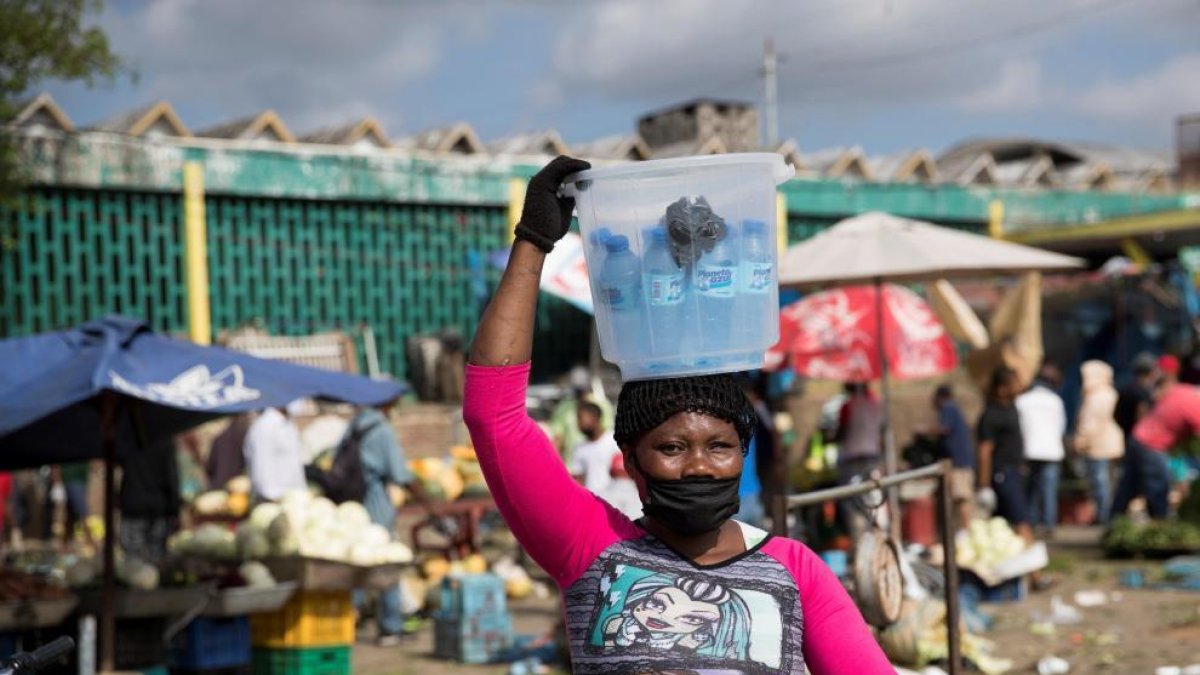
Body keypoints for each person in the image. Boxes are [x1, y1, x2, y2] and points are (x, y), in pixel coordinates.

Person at [463, 156, 890, 673]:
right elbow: (494, 416)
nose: (699, 466)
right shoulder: (591, 548)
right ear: (632, 459)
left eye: (719, 446)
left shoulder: (797, 573)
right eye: (671, 447)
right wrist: (533, 241)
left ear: (742, 452)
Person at [341, 399, 433, 645]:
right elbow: (399, 474)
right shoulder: (381, 428)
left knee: (357, 566)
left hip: (352, 508)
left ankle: (343, 623)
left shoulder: (354, 425)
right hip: (376, 506)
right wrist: (429, 502)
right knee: (387, 566)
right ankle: (390, 627)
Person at [1117, 355, 1200, 518]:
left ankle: (1113, 520)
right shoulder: (1194, 404)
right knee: (1158, 487)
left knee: (1129, 486)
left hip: (1138, 439)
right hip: (1152, 445)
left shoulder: (1181, 391)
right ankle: (1160, 524)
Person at [977, 367, 1032, 542]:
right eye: (1013, 383)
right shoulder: (992, 415)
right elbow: (985, 451)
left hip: (1014, 471)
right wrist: (984, 485)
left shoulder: (1012, 407)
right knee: (1021, 521)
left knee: (1000, 526)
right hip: (1003, 473)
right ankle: (1035, 569)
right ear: (1002, 388)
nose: (1019, 386)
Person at [1016, 363, 1067, 536]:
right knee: (1049, 489)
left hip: (1030, 449)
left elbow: (1020, 428)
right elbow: (1061, 426)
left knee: (1031, 489)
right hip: (1052, 450)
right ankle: (1049, 523)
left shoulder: (1022, 401)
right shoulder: (1055, 401)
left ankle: (1030, 521)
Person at [1073, 361, 1124, 524]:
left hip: (1098, 445)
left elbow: (1090, 423)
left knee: (1100, 481)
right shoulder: (1109, 392)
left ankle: (1104, 516)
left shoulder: (1097, 396)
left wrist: (1080, 440)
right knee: (1108, 481)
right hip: (1109, 444)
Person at [120, 435, 181, 564]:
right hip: (157, 507)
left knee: (134, 562)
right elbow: (172, 477)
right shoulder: (165, 440)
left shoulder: (127, 439)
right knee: (155, 558)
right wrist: (174, 510)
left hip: (134, 506)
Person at [549, 368, 615, 466]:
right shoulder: (563, 408)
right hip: (571, 466)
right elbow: (557, 439)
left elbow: (608, 434)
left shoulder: (602, 405)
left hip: (599, 464)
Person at [243, 405, 306, 501]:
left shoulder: (288, 424)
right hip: (274, 500)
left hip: (293, 498)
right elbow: (261, 466)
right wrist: (272, 497)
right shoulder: (264, 426)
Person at [932, 385, 975, 528]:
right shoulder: (955, 409)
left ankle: (966, 529)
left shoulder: (948, 408)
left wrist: (924, 431)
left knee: (961, 498)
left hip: (958, 462)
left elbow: (944, 428)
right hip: (962, 461)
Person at [569, 401, 622, 495]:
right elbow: (578, 479)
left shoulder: (615, 440)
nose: (578, 424)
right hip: (593, 502)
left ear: (594, 417)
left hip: (618, 500)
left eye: (580, 418)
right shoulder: (579, 448)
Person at [207, 413, 250, 488]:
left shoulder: (219, 438)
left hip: (218, 484)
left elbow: (210, 466)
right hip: (235, 488)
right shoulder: (243, 436)